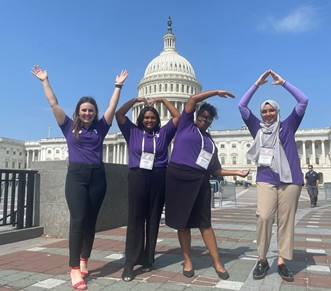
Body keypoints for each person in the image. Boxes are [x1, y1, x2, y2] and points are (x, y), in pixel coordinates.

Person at [32, 65, 128, 290]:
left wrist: (118, 86)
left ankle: (85, 259)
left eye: (91, 110)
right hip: (76, 176)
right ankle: (74, 268)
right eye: (84, 110)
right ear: (78, 112)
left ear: (95, 112)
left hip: (97, 177)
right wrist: (45, 80)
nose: (87, 113)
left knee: (90, 222)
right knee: (78, 221)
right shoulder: (67, 126)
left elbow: (113, 106)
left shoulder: (101, 128)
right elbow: (53, 103)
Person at [165, 90, 250, 280]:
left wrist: (237, 172)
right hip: (178, 177)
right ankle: (187, 260)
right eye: (203, 115)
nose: (205, 119)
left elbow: (215, 170)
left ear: (212, 121)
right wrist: (216, 93)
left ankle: (217, 262)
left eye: (209, 118)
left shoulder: (210, 142)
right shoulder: (186, 125)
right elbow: (193, 99)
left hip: (200, 179)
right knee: (183, 224)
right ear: (196, 115)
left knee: (205, 224)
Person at [238, 69, 308, 282]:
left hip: (290, 180)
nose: (267, 114)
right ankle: (262, 259)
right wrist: (257, 84)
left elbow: (303, 100)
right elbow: (241, 106)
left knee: (286, 221)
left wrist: (283, 82)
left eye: (271, 111)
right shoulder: (256, 128)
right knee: (265, 216)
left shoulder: (288, 125)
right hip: (266, 178)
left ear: (277, 112)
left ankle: (282, 261)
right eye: (264, 111)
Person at [115, 97, 180, 282]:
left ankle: (148, 259)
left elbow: (177, 116)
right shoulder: (132, 131)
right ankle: (130, 262)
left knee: (153, 218)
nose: (149, 120)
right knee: (135, 218)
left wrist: (163, 99)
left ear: (157, 120)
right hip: (138, 175)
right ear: (141, 118)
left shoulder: (164, 133)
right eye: (146, 117)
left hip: (159, 176)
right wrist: (135, 100)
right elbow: (119, 114)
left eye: (152, 117)